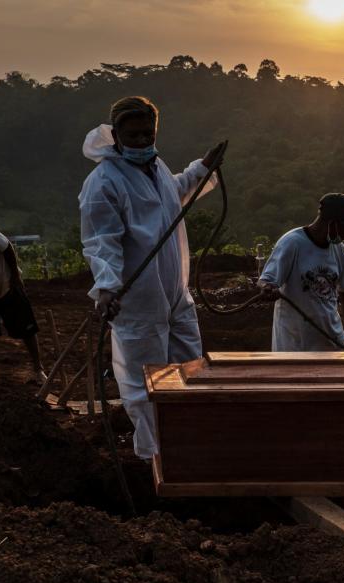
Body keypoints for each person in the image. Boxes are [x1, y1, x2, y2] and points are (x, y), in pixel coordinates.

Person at [79, 96, 223, 460]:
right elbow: (101, 241)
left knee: (189, 372)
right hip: (138, 300)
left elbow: (173, 194)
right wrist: (108, 288)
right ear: (115, 136)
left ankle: (189, 448)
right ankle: (155, 458)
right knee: (145, 383)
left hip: (175, 295)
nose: (143, 141)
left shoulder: (156, 167)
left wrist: (203, 167)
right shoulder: (104, 182)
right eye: (134, 135)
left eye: (148, 133)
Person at [257, 193, 344, 351]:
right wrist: (267, 288)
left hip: (332, 344)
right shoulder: (292, 243)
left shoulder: (338, 249)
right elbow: (266, 280)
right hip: (295, 347)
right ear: (332, 224)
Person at [0, 223, 47, 383]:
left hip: (6, 286)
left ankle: (38, 369)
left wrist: (15, 276)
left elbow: (7, 247)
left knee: (27, 328)